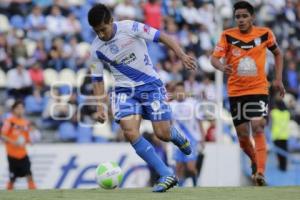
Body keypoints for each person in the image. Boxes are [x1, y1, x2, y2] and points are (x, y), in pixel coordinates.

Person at [87, 4, 197, 192]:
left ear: (111, 21)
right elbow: (97, 79)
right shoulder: (95, 49)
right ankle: (166, 173)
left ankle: (175, 135)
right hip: (124, 91)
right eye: (97, 32)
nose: (102, 35)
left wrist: (181, 54)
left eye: (103, 30)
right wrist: (100, 107)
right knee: (129, 131)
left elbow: (161, 36)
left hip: (150, 85)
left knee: (162, 133)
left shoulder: (130, 27)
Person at [210, 1, 285, 186]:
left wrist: (278, 79)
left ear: (253, 17)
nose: (241, 20)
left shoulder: (265, 33)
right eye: (238, 17)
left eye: (244, 16)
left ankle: (260, 172)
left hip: (258, 88)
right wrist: (221, 66)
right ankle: (254, 160)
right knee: (243, 136)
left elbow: (278, 54)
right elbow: (214, 58)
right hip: (236, 92)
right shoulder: (227, 36)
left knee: (258, 125)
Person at [170, 82, 205, 187]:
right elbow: (169, 124)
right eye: (177, 91)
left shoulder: (193, 104)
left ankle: (196, 185)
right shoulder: (171, 105)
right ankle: (179, 189)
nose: (180, 93)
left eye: (181, 90)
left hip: (191, 140)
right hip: (177, 140)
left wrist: (202, 138)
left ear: (185, 92)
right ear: (175, 93)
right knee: (179, 167)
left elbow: (199, 121)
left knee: (190, 167)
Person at [0, 100, 36, 190]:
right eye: (18, 108)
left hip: (23, 153)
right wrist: (13, 142)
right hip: (12, 153)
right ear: (13, 110)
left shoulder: (25, 122)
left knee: (29, 173)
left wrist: (30, 141)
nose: (20, 110)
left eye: (22, 108)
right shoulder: (9, 121)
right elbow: (2, 135)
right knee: (12, 177)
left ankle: (34, 193)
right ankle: (9, 192)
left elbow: (27, 137)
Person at [271, 99, 290, 171]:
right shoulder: (287, 113)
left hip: (276, 136)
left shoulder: (274, 112)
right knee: (284, 153)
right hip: (284, 136)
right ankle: (284, 167)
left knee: (278, 153)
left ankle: (280, 166)